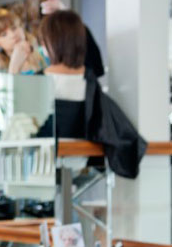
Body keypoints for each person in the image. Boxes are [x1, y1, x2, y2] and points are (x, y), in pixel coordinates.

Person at [37, 10, 146, 179]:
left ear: (49, 42)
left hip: (40, 164)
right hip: (81, 161)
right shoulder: (89, 80)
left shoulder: (37, 81)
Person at [0, 8, 48, 75]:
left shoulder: (45, 54)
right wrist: (14, 67)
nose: (13, 35)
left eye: (14, 28)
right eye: (4, 34)